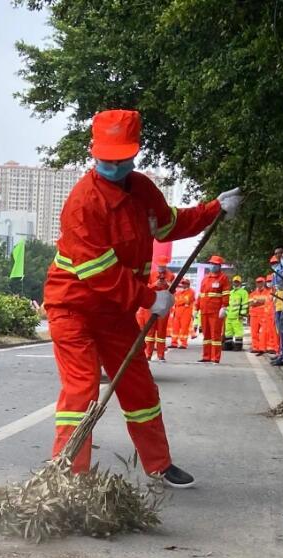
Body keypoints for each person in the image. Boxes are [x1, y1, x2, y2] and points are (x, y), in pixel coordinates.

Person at [45, 108, 241, 486]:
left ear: (135, 154)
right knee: (82, 388)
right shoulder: (84, 203)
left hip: (114, 310)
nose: (115, 165)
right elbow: (97, 272)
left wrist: (214, 210)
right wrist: (149, 298)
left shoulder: (142, 189)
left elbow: (170, 225)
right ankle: (68, 477)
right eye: (107, 159)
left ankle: (159, 464)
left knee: (139, 385)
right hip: (73, 306)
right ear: (93, 152)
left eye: (122, 159)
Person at [196, 255, 232, 363]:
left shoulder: (223, 278)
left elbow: (226, 294)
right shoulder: (206, 278)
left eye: (215, 264)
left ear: (219, 266)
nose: (213, 266)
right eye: (211, 264)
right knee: (206, 335)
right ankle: (206, 356)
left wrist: (224, 307)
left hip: (216, 311)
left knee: (215, 335)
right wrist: (196, 308)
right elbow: (201, 294)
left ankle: (215, 357)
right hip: (204, 310)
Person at [143, 257, 174, 361]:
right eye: (160, 266)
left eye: (163, 266)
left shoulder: (171, 275)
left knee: (161, 331)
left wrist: (167, 285)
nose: (161, 268)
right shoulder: (151, 275)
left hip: (163, 305)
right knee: (149, 332)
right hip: (152, 304)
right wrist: (154, 284)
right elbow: (145, 289)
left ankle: (161, 355)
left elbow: (173, 291)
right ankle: (148, 354)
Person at [223, 274, 249, 351]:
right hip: (229, 316)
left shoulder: (243, 292)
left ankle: (238, 346)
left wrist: (242, 314)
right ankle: (228, 345)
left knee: (238, 332)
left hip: (237, 316)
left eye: (237, 282)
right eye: (234, 282)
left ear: (240, 283)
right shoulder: (230, 292)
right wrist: (225, 312)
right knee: (228, 332)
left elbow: (244, 304)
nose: (236, 283)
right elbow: (227, 303)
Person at [169, 277, 194, 348]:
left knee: (184, 329)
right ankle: (174, 343)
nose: (183, 285)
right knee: (175, 328)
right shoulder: (179, 292)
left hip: (186, 313)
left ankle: (183, 343)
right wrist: (180, 301)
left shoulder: (191, 292)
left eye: (185, 284)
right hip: (177, 312)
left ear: (188, 284)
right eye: (183, 283)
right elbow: (175, 300)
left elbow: (186, 300)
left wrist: (179, 301)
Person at [248, 276, 270, 354]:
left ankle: (262, 347)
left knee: (263, 332)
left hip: (264, 315)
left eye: (261, 282)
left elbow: (267, 301)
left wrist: (256, 301)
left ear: (264, 283)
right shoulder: (252, 293)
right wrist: (261, 301)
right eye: (258, 282)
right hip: (254, 315)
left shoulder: (268, 292)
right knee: (254, 332)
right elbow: (250, 303)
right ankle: (255, 347)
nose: (259, 284)